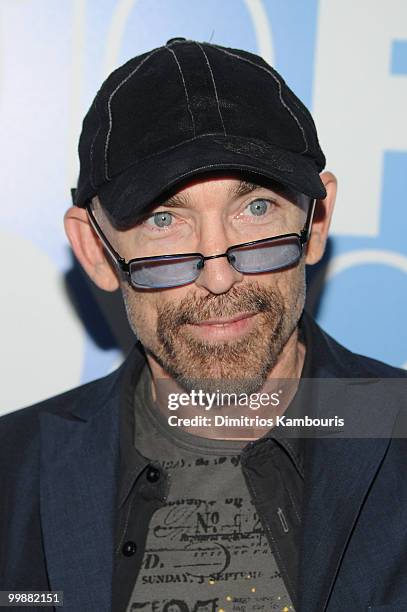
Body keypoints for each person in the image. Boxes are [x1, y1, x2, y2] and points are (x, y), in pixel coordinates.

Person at [1, 38, 406, 612]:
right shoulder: (12, 473)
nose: (218, 273)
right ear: (95, 251)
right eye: (165, 219)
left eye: (256, 209)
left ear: (316, 223)